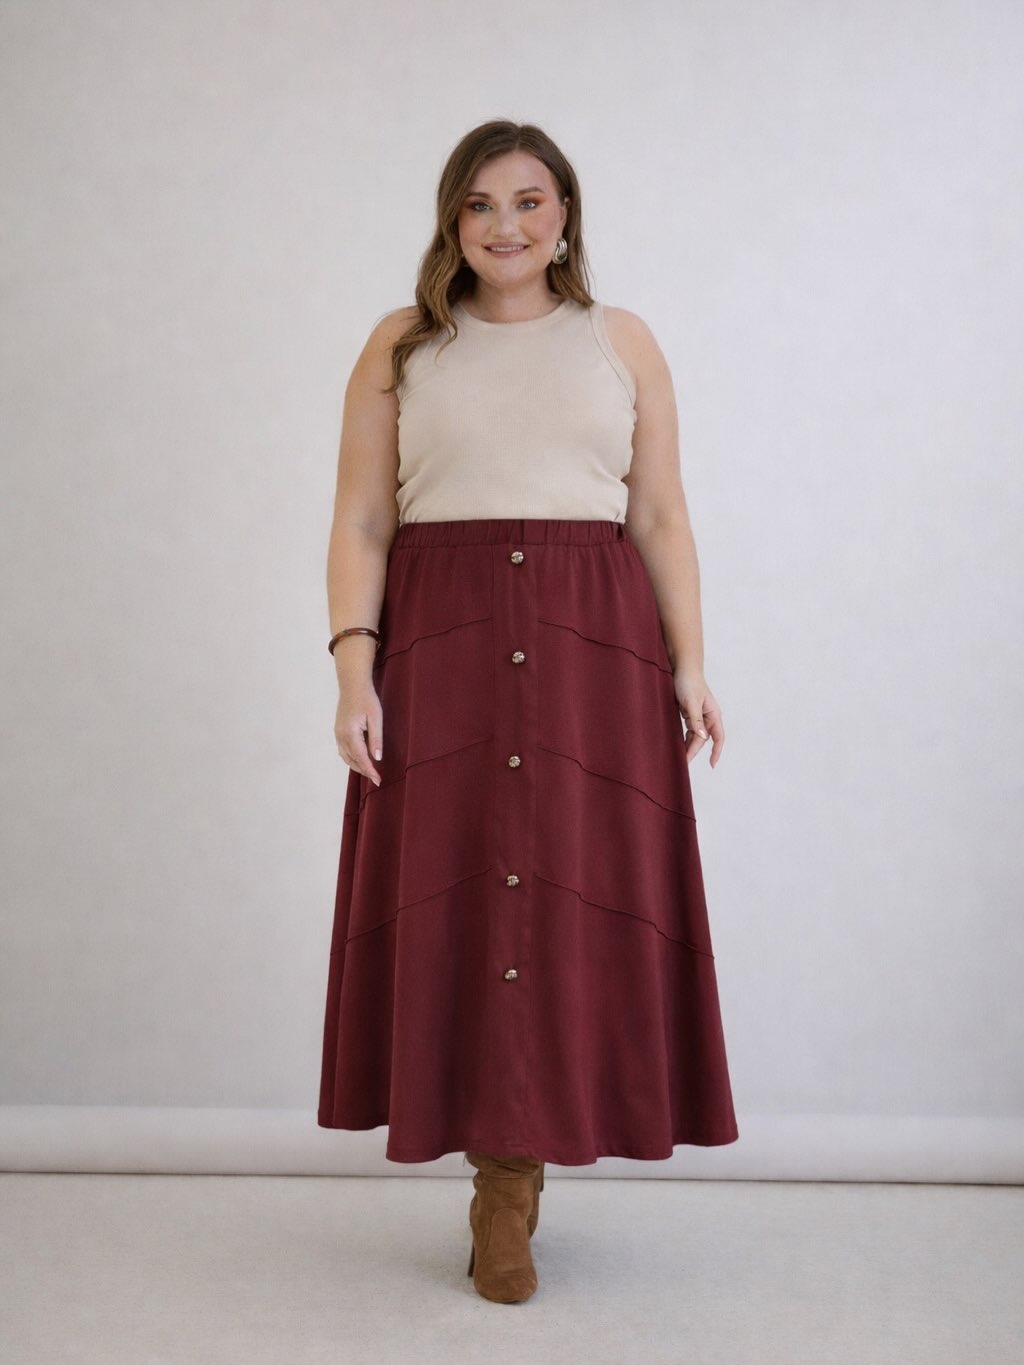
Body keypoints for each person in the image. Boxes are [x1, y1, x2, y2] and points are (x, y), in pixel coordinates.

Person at [317, 118, 739, 1305]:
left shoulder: (621, 340)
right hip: (439, 643)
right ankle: (500, 1181)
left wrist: (689, 664)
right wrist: (353, 669)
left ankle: (517, 1176)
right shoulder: (402, 344)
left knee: (567, 897)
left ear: (565, 217)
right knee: (462, 892)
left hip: (593, 646)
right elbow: (361, 518)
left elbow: (658, 515)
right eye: (479, 204)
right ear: (451, 220)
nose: (504, 225)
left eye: (529, 200)